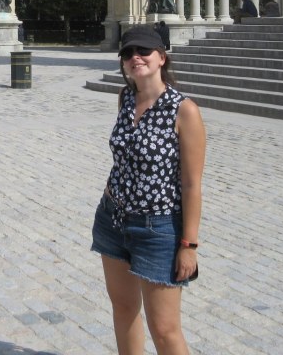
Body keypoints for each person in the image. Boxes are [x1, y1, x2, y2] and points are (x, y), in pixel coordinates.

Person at [91, 25, 206, 355]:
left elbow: (191, 184)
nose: (135, 57)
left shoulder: (184, 110)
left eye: (143, 51)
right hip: (112, 219)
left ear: (162, 57)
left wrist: (189, 245)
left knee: (165, 330)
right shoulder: (125, 97)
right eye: (128, 53)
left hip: (158, 228)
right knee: (124, 309)